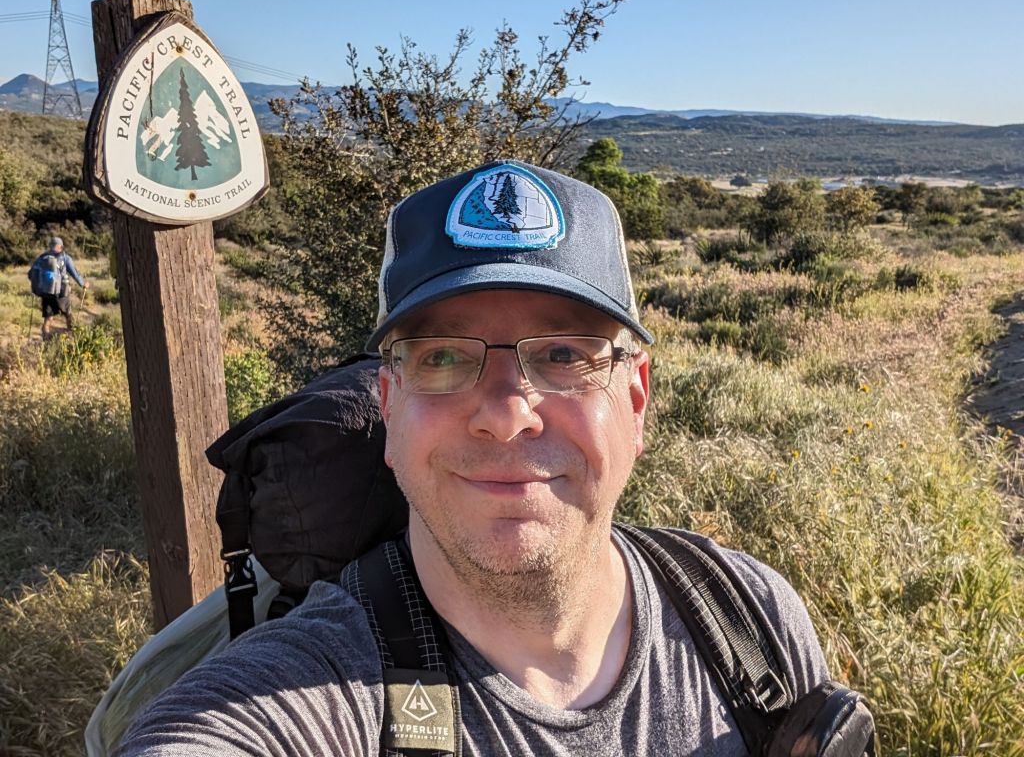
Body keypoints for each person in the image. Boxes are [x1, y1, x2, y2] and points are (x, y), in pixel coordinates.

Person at [116, 161, 830, 756]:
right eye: (444, 358)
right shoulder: (297, 695)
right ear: (388, 405)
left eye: (562, 355)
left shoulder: (748, 620)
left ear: (636, 400)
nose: (506, 413)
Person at [29, 235, 89, 341]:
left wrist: (37, 287)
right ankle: (73, 336)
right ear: (61, 246)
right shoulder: (65, 258)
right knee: (68, 314)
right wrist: (83, 283)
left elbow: (31, 274)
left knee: (48, 317)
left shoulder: (42, 258)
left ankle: (46, 339)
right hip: (62, 291)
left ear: (50, 245)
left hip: (47, 291)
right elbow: (74, 273)